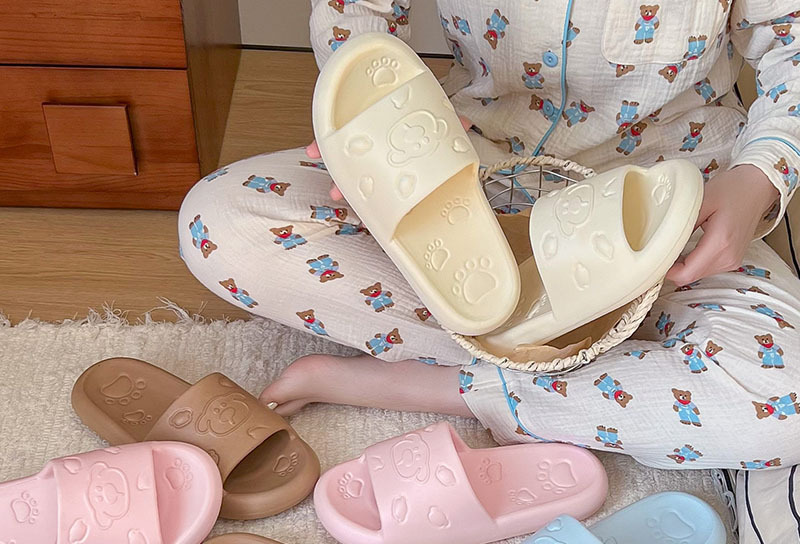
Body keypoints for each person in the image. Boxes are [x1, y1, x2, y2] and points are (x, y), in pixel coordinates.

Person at [178, 0, 800, 470]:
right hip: (468, 177)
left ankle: (442, 385)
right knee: (221, 224)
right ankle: (581, 360)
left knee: (786, 406)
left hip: (667, 205)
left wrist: (758, 178)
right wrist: (371, 127)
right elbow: (357, 13)